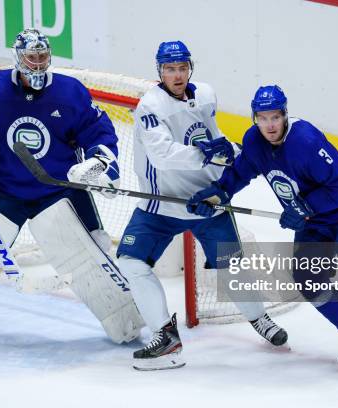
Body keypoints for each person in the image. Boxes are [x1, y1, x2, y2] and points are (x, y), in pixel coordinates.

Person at [0, 28, 144, 345]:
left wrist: (100, 161)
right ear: (17, 58)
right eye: (31, 58)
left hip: (60, 189)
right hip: (7, 191)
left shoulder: (70, 93)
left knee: (95, 253)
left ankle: (125, 320)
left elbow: (99, 131)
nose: (38, 64)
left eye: (43, 57)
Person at [188, 85, 338, 382]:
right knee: (308, 279)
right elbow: (242, 171)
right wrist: (218, 194)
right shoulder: (254, 141)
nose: (269, 125)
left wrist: (304, 207)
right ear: (254, 118)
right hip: (313, 221)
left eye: (275, 117)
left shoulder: (304, 140)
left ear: (285, 115)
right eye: (262, 118)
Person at [116, 41, 288, 371]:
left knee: (232, 266)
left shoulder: (206, 95)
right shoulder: (150, 107)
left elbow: (211, 136)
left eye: (182, 68)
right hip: (160, 207)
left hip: (206, 200)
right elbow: (161, 156)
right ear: (160, 71)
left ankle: (259, 318)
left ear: (189, 68)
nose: (177, 75)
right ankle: (164, 333)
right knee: (131, 262)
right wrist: (205, 154)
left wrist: (230, 153)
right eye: (170, 69)